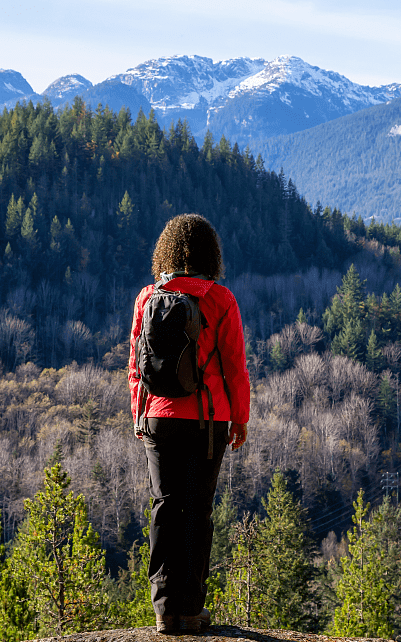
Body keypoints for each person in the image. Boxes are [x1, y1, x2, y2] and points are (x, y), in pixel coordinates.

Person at [128, 213, 250, 634]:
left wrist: (140, 414)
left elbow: (134, 367)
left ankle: (163, 610)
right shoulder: (220, 299)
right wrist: (240, 419)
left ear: (165, 251)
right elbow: (235, 367)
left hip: (158, 418)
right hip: (208, 420)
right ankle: (190, 609)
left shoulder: (148, 297)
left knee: (164, 505)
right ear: (210, 254)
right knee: (197, 510)